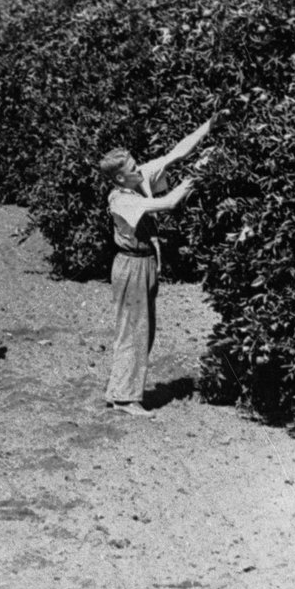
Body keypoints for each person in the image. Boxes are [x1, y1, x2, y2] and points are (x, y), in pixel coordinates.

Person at [100, 118, 211, 415]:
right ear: (120, 179)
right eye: (132, 169)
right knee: (135, 330)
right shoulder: (122, 200)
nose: (139, 169)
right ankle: (126, 399)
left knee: (138, 330)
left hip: (145, 262)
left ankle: (119, 391)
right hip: (132, 265)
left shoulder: (138, 181)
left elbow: (176, 153)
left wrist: (209, 126)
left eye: (137, 164)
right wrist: (197, 176)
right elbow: (170, 202)